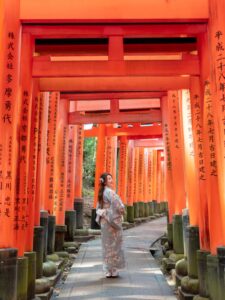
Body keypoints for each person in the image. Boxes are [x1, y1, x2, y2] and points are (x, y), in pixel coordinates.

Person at [96, 172, 125, 278]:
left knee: (106, 245)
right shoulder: (110, 192)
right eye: (109, 179)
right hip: (111, 222)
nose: (111, 180)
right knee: (114, 244)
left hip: (104, 221)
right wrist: (122, 210)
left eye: (111, 178)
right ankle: (114, 269)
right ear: (104, 182)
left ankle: (108, 270)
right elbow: (119, 206)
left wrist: (103, 212)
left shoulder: (101, 193)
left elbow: (98, 208)